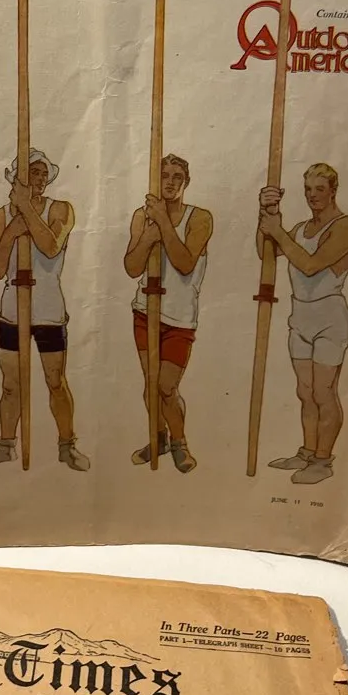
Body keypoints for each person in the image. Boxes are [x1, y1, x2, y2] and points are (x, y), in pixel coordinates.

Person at [0, 149, 89, 471]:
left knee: (56, 381)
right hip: (12, 307)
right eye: (31, 172)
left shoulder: (60, 209)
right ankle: (5, 445)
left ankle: (67, 445)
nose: (38, 178)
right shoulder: (0, 217)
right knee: (10, 384)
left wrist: (25, 208)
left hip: (48, 308)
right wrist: (12, 230)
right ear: (16, 178)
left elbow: (50, 247)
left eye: (42, 173)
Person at [257, 162, 348, 485]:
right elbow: (265, 252)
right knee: (305, 392)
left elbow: (310, 265)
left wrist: (277, 230)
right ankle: (307, 451)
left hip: (329, 318)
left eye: (319, 189)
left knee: (323, 392)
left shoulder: (347, 226)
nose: (312, 195)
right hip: (300, 316)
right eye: (307, 189)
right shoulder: (302, 228)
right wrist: (266, 215)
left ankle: (323, 460)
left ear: (333, 191)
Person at [124, 154, 212, 473]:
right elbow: (132, 267)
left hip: (179, 317)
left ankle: (179, 442)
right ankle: (157, 437)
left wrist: (163, 223)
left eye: (177, 177)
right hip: (145, 311)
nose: (170, 182)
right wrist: (149, 234)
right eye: (164, 176)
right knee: (150, 384)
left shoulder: (199, 218)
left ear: (186, 182)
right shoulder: (142, 216)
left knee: (166, 386)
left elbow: (185, 263)